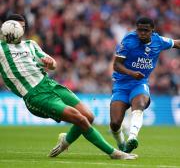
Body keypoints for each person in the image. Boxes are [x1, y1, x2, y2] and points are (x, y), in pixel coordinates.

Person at [0, 13, 137, 160]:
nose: (21, 29)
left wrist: (50, 63)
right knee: (80, 119)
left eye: (23, 26)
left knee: (89, 116)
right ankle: (114, 153)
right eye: (17, 26)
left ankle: (65, 141)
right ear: (7, 27)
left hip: (49, 84)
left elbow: (53, 64)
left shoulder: (30, 45)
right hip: (36, 95)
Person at [110, 17, 180, 153]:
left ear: (152, 31)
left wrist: (136, 76)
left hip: (139, 83)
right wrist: (131, 73)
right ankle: (121, 144)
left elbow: (177, 43)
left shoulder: (158, 41)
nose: (142, 33)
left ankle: (132, 138)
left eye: (145, 30)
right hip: (122, 84)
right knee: (115, 123)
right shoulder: (129, 40)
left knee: (140, 104)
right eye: (139, 30)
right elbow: (116, 65)